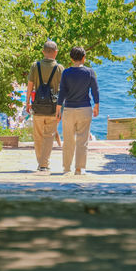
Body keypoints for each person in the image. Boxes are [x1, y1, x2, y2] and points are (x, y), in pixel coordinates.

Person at [56, 45, 99, 175]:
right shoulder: (90, 72)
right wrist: (96, 105)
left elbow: (62, 92)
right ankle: (80, 168)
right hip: (85, 108)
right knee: (82, 140)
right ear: (84, 58)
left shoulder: (66, 73)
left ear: (71, 58)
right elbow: (95, 90)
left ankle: (67, 168)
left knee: (68, 140)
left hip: (69, 109)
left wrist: (58, 108)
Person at [25, 40, 64, 173]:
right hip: (53, 108)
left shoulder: (35, 66)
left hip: (38, 107)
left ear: (43, 52)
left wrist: (27, 103)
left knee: (38, 136)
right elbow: (63, 91)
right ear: (56, 52)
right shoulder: (59, 68)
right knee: (49, 136)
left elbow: (30, 86)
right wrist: (61, 110)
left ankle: (41, 163)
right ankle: (44, 164)